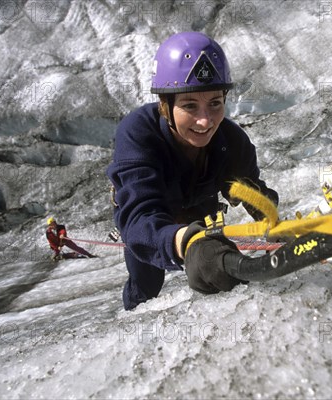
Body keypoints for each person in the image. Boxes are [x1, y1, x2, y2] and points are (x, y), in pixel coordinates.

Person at [106, 31, 278, 310]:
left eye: (215, 103)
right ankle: (133, 325)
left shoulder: (231, 140)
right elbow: (138, 219)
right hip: (152, 227)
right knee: (146, 285)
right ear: (165, 106)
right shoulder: (138, 134)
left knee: (219, 275)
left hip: (200, 217)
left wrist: (278, 224)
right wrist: (187, 242)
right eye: (189, 105)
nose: (205, 120)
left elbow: (253, 193)